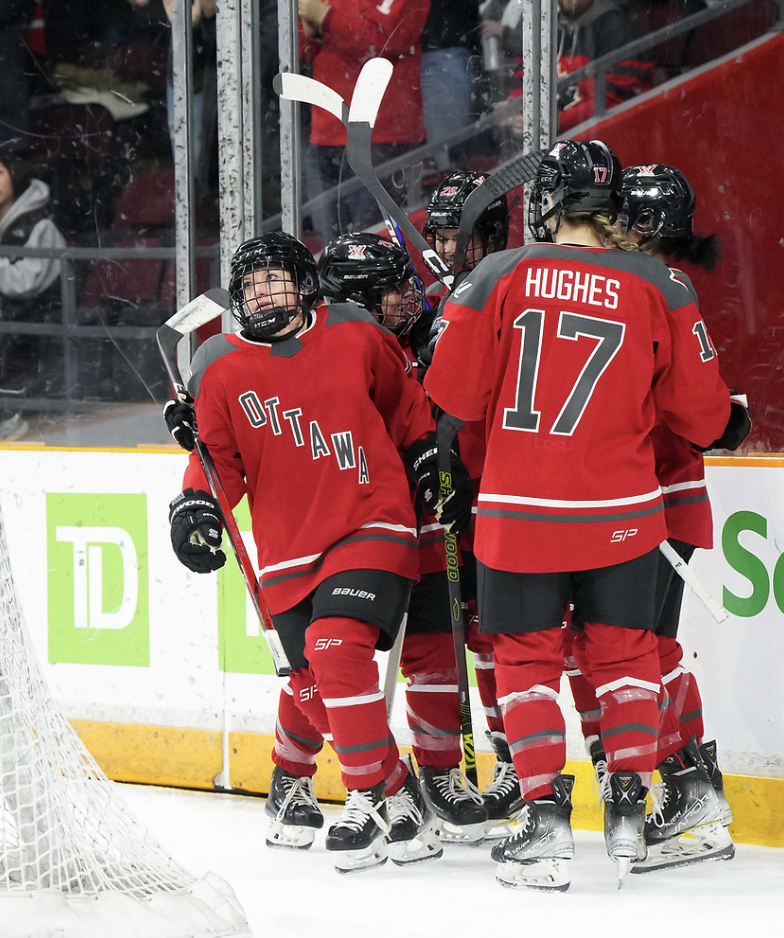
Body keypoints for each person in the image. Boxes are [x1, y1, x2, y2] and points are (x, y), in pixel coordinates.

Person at [423, 138, 736, 891]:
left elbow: (454, 399)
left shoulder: (499, 273)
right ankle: (629, 806)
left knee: (527, 665)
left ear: (550, 204)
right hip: (625, 512)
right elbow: (703, 418)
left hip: (520, 510)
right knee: (627, 658)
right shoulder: (661, 284)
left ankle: (544, 824)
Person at [165, 231, 473, 873]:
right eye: (251, 287)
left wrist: (422, 461)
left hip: (373, 524)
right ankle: (351, 785)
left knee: (336, 649)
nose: (263, 295)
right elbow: (218, 462)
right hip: (286, 548)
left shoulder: (356, 334)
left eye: (276, 280)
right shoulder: (218, 364)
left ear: (304, 285)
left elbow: (407, 407)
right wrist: (197, 507)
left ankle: (367, 795)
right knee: (313, 683)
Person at [318, 232, 500, 844]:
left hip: (437, 514)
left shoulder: (415, 341)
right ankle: (297, 773)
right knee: (326, 659)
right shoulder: (332, 353)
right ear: (360, 298)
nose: (408, 297)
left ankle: (440, 773)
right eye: (392, 289)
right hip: (359, 529)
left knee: (439, 646)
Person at [298, 0, 430, 243]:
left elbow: (387, 42)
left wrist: (326, 19)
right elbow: (300, 50)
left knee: (374, 245)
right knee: (334, 251)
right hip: (326, 132)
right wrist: (308, 28)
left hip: (383, 136)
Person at [0, 151, 66, 441]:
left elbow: (26, 282)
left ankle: (13, 416)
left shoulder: (40, 225)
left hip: (31, 321)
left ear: (16, 177)